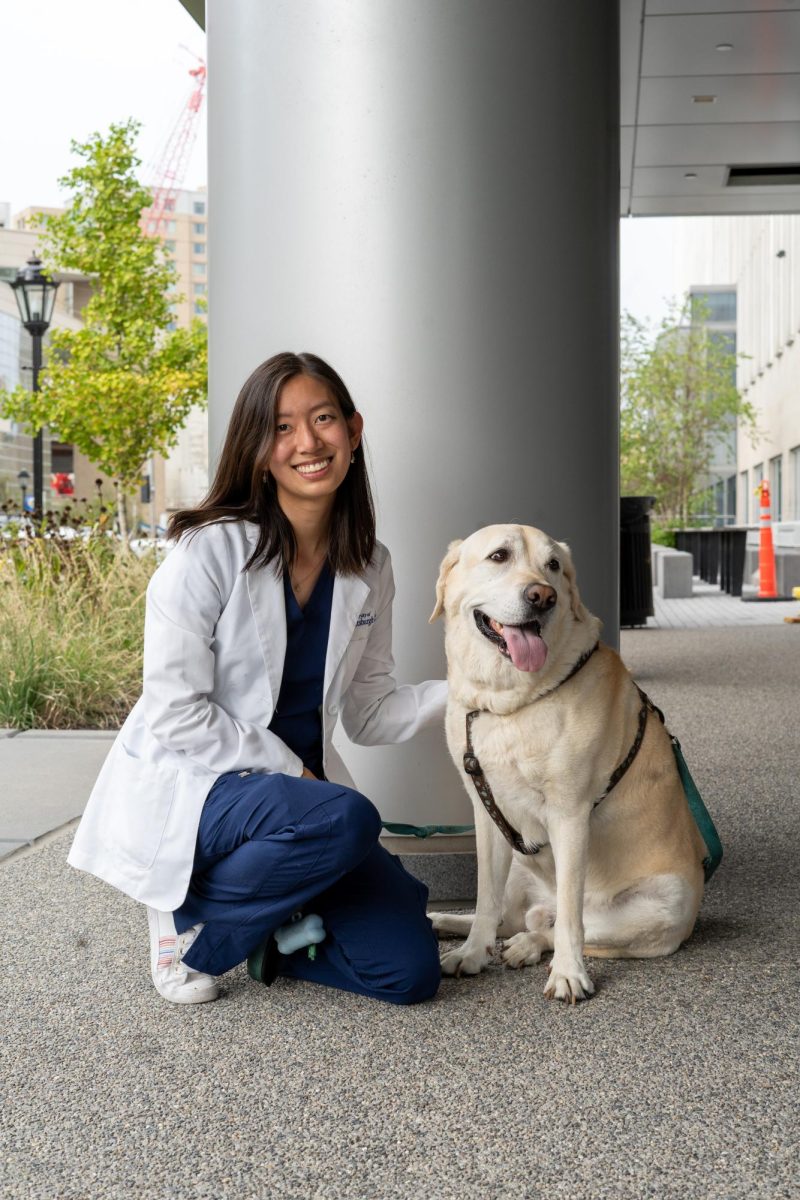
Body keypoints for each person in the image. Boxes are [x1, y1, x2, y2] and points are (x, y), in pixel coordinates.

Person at [68, 351, 446, 1006]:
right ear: (258, 447)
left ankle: (271, 931)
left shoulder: (369, 564)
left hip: (304, 811)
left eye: (323, 419)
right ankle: (191, 921)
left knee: (408, 972)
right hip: (204, 787)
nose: (308, 442)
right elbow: (175, 713)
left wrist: (472, 691)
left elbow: (369, 711)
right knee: (349, 819)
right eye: (282, 426)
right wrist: (288, 768)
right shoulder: (209, 551)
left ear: (353, 432)